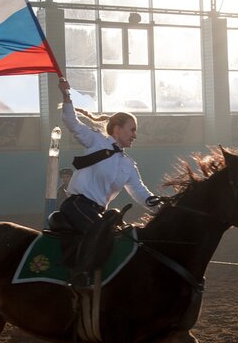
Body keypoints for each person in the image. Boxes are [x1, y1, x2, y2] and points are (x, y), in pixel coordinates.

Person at [57, 78, 161, 234]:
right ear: (118, 129)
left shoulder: (128, 164)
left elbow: (140, 192)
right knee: (103, 233)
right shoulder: (96, 140)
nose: (135, 135)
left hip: (98, 212)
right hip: (76, 205)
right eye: (132, 130)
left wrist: (163, 208)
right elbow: (72, 122)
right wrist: (66, 95)